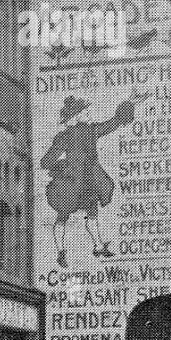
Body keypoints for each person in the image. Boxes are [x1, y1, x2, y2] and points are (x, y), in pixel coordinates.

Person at [39, 94, 137, 269]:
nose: (89, 114)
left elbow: (46, 161)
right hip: (82, 180)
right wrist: (128, 105)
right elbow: (111, 124)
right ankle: (88, 248)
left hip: (76, 180)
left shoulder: (69, 135)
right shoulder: (88, 131)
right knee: (84, 212)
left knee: (68, 214)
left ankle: (80, 248)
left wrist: (59, 166)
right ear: (76, 116)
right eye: (85, 112)